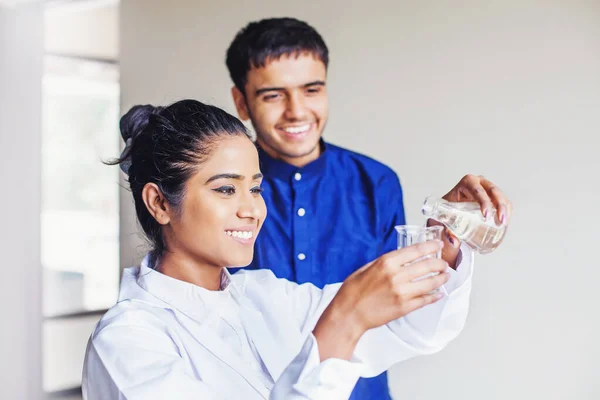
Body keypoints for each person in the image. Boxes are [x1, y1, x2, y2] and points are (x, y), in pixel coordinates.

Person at [82, 99, 508, 399]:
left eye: (255, 188)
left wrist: (444, 236)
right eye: (226, 189)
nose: (252, 210)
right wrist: (343, 321)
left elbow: (410, 329)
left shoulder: (265, 295)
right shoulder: (127, 342)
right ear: (159, 203)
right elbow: (345, 325)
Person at [225, 18, 511, 399]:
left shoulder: (377, 182)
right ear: (241, 102)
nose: (297, 111)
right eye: (273, 95)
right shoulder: (223, 188)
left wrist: (444, 237)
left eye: (312, 89)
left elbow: (406, 311)